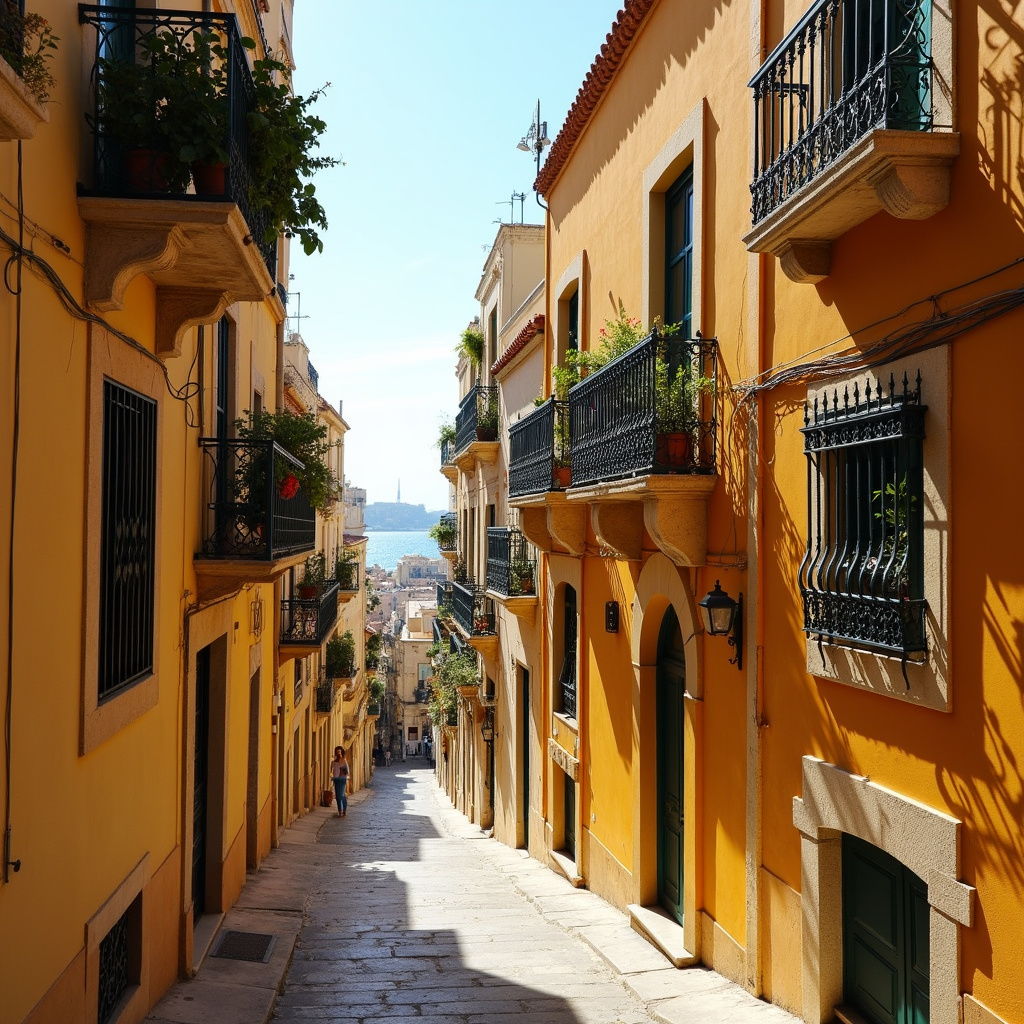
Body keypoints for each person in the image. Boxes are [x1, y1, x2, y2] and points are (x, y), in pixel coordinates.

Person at [330, 746, 349, 818]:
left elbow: (347, 771)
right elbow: (331, 771)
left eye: (339, 752)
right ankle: (339, 811)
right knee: (338, 796)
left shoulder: (344, 761)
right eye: (337, 752)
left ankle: (344, 810)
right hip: (336, 779)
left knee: (342, 795)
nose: (338, 754)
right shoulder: (334, 762)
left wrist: (342, 769)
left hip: (342, 779)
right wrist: (332, 776)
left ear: (341, 753)